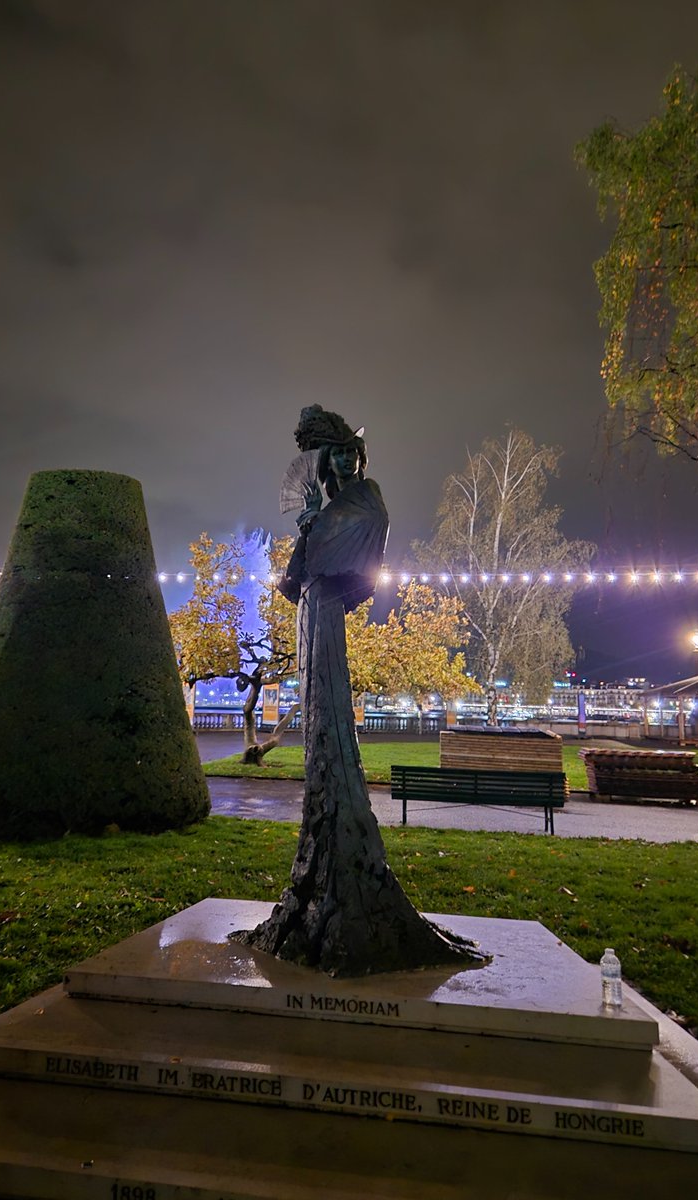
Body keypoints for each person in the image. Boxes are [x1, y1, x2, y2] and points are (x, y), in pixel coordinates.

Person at [234, 406, 485, 975]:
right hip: (313, 605)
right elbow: (300, 571)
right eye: (337, 454)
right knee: (316, 698)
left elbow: (364, 548)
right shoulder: (320, 505)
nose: (347, 459)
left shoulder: (366, 495)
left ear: (360, 457)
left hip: (330, 602)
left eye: (352, 451)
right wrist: (309, 525)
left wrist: (321, 534)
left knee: (329, 700)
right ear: (323, 464)